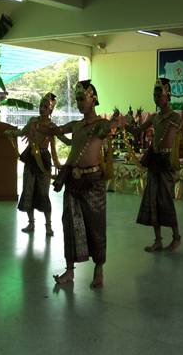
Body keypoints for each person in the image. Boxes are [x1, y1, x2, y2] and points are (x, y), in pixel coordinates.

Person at [41, 80, 125, 289]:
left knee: (96, 225)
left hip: (93, 181)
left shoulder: (100, 125)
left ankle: (99, 269)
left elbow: (110, 127)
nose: (79, 103)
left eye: (82, 99)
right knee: (70, 223)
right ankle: (70, 271)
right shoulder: (76, 125)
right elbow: (57, 130)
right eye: (77, 99)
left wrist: (116, 122)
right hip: (73, 180)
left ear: (93, 100)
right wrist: (42, 126)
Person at [5, 93, 69, 237]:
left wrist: (78, 137)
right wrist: (11, 132)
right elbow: (22, 132)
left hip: (44, 160)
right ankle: (31, 223)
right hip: (30, 158)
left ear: (51, 110)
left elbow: (65, 140)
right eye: (41, 106)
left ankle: (48, 226)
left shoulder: (52, 126)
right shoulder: (33, 122)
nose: (42, 109)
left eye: (45, 107)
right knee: (28, 191)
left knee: (43, 193)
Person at [136, 78, 183, 253]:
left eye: (160, 95)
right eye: (154, 95)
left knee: (166, 200)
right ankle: (158, 240)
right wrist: (123, 125)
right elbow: (138, 130)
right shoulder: (154, 117)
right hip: (154, 160)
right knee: (152, 200)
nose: (156, 98)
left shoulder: (175, 117)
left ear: (168, 96)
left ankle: (176, 237)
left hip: (167, 162)